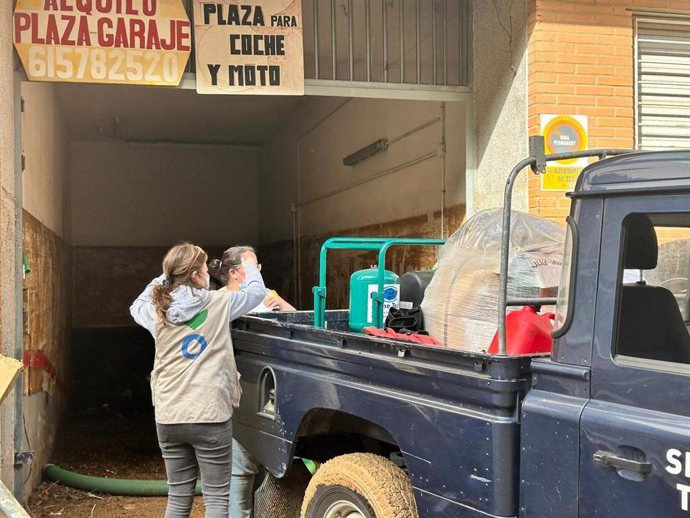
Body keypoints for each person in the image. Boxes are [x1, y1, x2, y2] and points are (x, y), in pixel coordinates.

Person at [129, 242, 265, 518]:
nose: (208, 274)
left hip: (169, 415)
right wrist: (250, 265)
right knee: (216, 499)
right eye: (204, 270)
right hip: (210, 414)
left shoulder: (157, 309)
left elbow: (136, 304)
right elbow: (256, 292)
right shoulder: (219, 303)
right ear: (195, 275)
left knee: (178, 499)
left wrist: (164, 277)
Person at [208, 245, 296, 518]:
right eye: (252, 267)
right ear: (235, 273)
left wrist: (281, 306)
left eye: (258, 267)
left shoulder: (269, 296)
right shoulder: (218, 300)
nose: (258, 272)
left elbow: (301, 324)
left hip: (272, 392)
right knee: (239, 470)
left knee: (259, 469)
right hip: (237, 392)